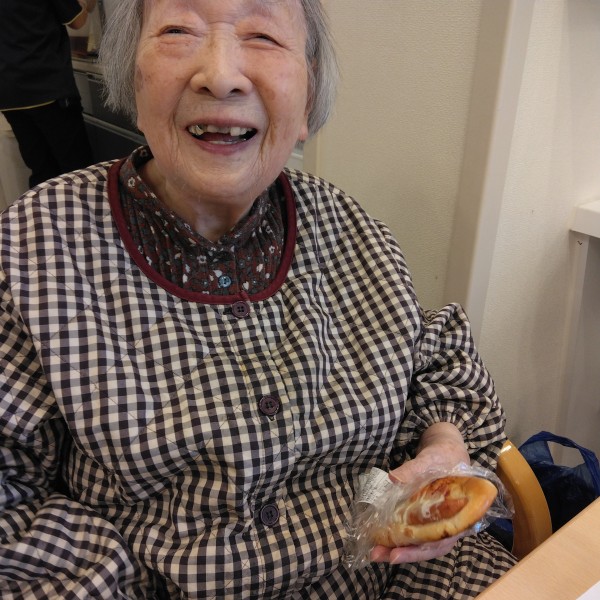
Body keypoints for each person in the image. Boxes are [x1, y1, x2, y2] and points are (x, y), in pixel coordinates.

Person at [0, 0, 516, 598]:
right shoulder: (37, 246)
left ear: (308, 96)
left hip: (396, 577)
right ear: (132, 80)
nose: (221, 75)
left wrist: (443, 447)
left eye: (263, 36)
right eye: (178, 30)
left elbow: (437, 360)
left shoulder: (351, 229)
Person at [0, 0, 95, 189]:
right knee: (78, 173)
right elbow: (78, 21)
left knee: (42, 172)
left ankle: (46, 208)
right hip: (48, 87)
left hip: (10, 95)